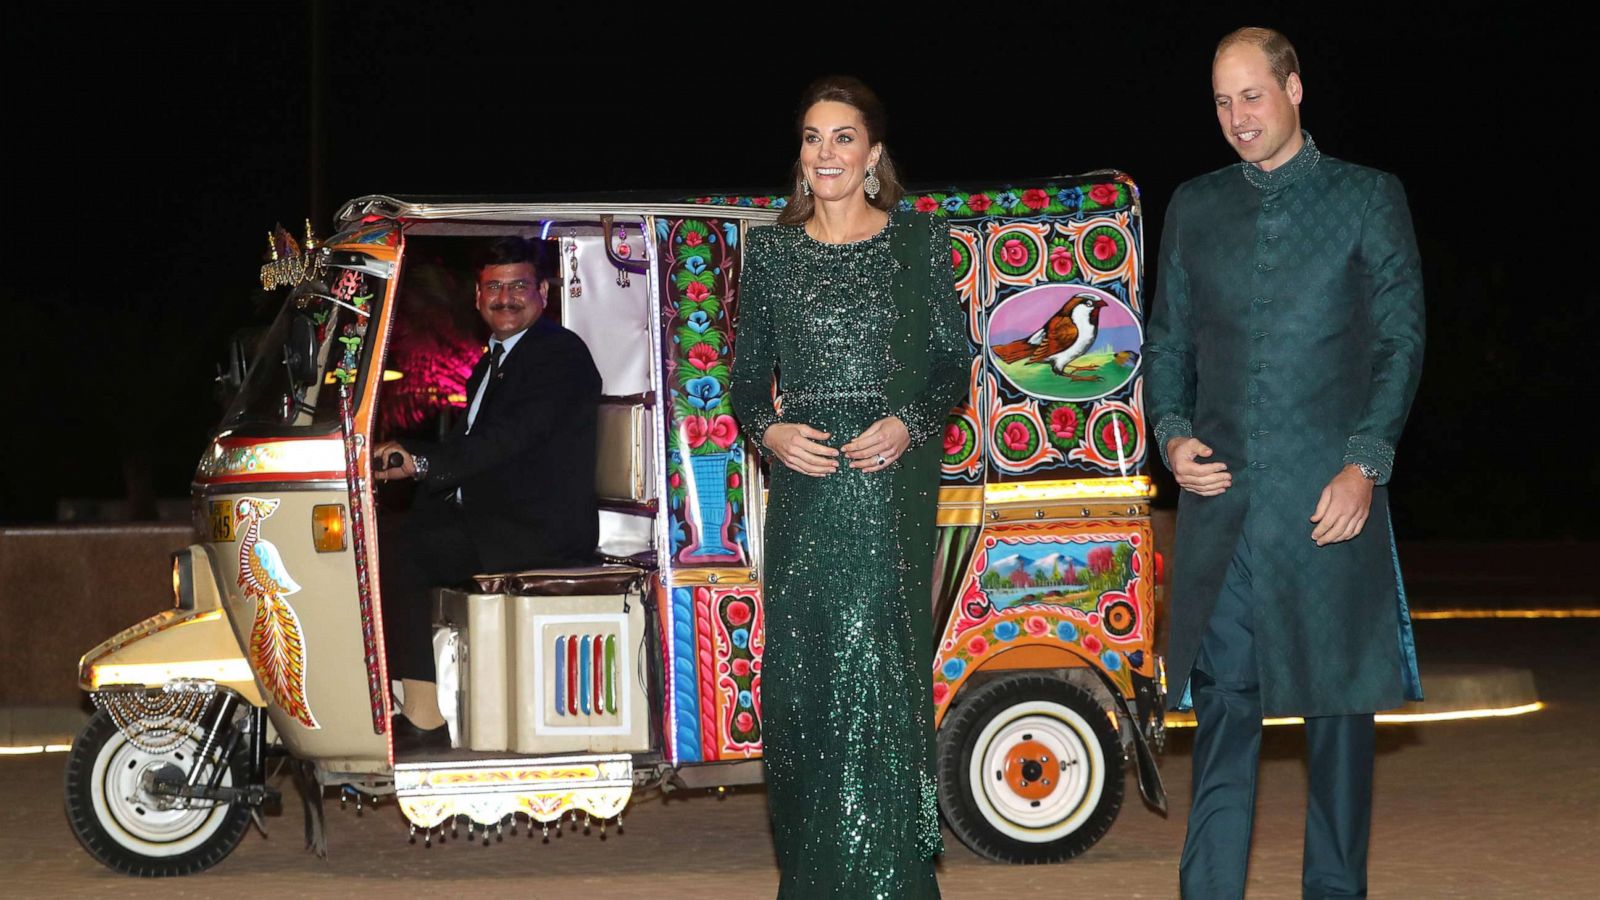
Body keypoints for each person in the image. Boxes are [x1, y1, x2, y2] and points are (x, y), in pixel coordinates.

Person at [1145, 27, 1425, 899]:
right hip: (1224, 515)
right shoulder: (1195, 204)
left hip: (1328, 509)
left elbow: (1400, 341)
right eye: (1223, 102)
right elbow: (1166, 344)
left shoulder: (1369, 198)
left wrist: (1363, 464)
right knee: (1226, 718)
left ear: (1294, 89)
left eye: (1252, 96)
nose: (1237, 117)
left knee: (1339, 725)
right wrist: (1174, 433)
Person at [729, 75, 970, 898]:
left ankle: (890, 882)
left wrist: (907, 421)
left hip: (887, 480)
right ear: (799, 158)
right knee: (803, 683)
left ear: (873, 155)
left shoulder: (919, 247)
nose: (824, 152)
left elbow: (950, 365)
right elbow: (742, 383)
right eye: (810, 137)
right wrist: (770, 431)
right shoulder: (770, 252)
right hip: (806, 490)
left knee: (879, 669)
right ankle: (814, 878)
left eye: (841, 137)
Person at [373, 236, 602, 752]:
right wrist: (402, 453)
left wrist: (425, 461)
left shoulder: (557, 355)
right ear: (477, 299)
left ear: (542, 291)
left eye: (518, 286)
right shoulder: (492, 362)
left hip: (538, 529)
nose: (505, 298)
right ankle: (402, 693)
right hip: (497, 519)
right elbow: (467, 446)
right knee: (385, 538)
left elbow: (507, 441)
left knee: (408, 552)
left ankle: (425, 717)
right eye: (493, 287)